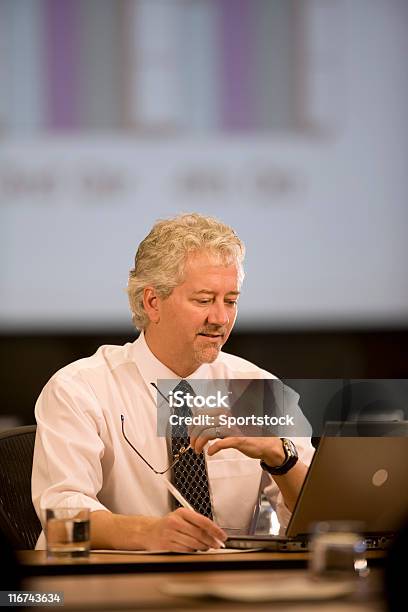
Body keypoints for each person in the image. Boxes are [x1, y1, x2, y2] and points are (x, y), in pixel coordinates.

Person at [32, 213, 314, 551]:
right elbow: (59, 521)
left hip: (232, 588)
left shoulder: (257, 387)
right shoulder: (79, 389)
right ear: (153, 302)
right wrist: (149, 533)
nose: (221, 318)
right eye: (204, 300)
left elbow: (317, 524)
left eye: (231, 301)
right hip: (117, 588)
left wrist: (280, 457)